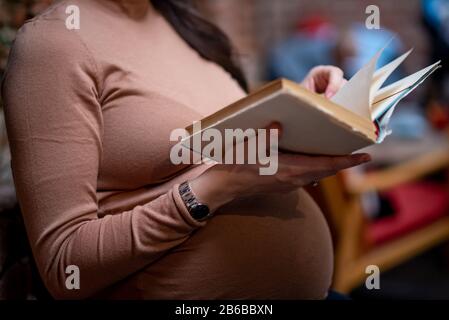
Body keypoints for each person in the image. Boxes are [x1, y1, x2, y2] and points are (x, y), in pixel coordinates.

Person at [1, 0, 370, 299]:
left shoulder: (185, 25)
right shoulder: (54, 44)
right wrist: (222, 186)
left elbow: (221, 144)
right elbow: (67, 270)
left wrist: (298, 117)